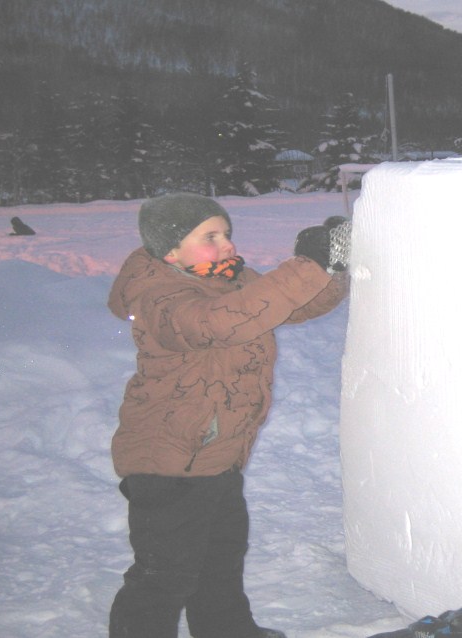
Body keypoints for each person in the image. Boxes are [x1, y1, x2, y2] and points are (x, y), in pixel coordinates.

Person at [107, 192, 350, 638]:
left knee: (221, 556)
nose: (227, 246)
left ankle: (227, 631)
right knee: (166, 573)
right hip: (168, 460)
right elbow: (218, 323)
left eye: (227, 234)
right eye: (210, 236)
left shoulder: (225, 280)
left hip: (217, 452)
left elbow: (291, 305)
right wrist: (303, 268)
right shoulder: (161, 294)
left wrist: (329, 268)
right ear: (170, 249)